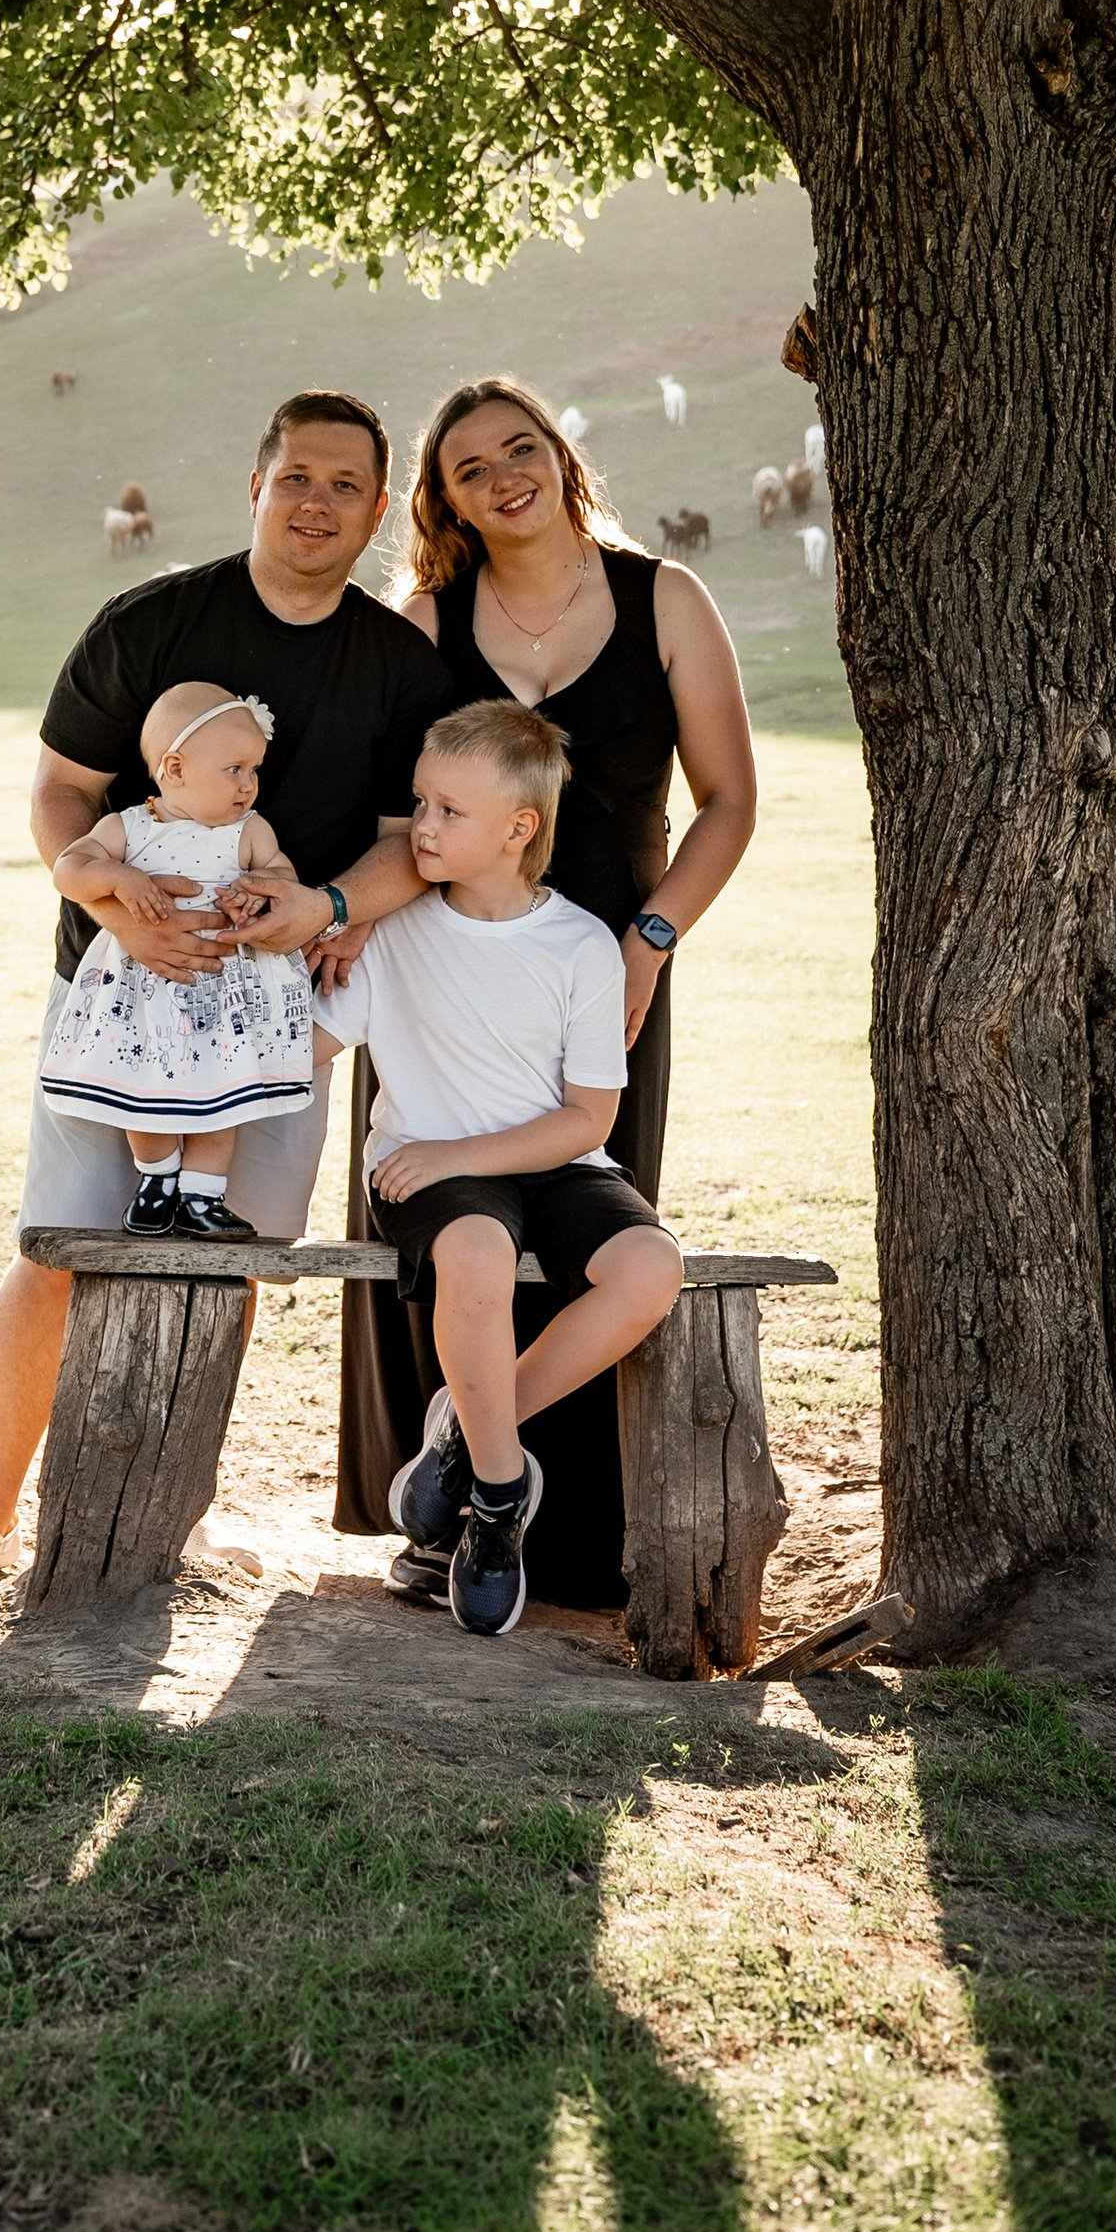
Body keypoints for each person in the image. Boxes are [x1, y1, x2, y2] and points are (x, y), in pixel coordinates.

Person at [0, 389, 457, 1591]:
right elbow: (57, 793)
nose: (318, 501)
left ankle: (168, 1512)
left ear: (380, 510)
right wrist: (110, 903)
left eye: (347, 484)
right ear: (256, 482)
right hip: (114, 998)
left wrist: (325, 908)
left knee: (224, 1255)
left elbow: (415, 836)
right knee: (64, 1239)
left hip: (269, 1016)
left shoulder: (400, 664)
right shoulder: (146, 623)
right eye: (298, 474)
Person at [337, 375, 756, 1606]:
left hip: (608, 971)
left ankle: (537, 1518)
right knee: (458, 1238)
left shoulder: (663, 598)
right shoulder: (425, 620)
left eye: (520, 448)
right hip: (440, 972)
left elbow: (727, 801)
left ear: (562, 458)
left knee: (588, 1242)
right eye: (468, 468)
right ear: (446, 501)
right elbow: (387, 815)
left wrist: (650, 938)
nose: (500, 474)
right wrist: (355, 925)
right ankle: (434, 1535)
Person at [314, 698, 684, 1633]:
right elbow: (305, 1047)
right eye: (420, 803)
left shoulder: (581, 946)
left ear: (520, 829)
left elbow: (587, 1119)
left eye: (447, 812)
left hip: (546, 1160)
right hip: (426, 1173)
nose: (420, 828)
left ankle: (467, 1437)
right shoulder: (390, 932)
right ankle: (498, 1494)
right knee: (474, 1251)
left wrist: (460, 1152)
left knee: (652, 1269)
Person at [44, 683, 318, 1240]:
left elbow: (283, 876)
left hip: (224, 995)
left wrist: (260, 891)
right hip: (145, 996)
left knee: (221, 1099)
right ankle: (157, 1179)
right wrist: (119, 877)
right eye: (235, 769)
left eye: (254, 769)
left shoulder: (249, 831)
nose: (250, 784)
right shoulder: (128, 828)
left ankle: (202, 1195)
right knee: (143, 1097)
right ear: (175, 768)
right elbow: (69, 869)